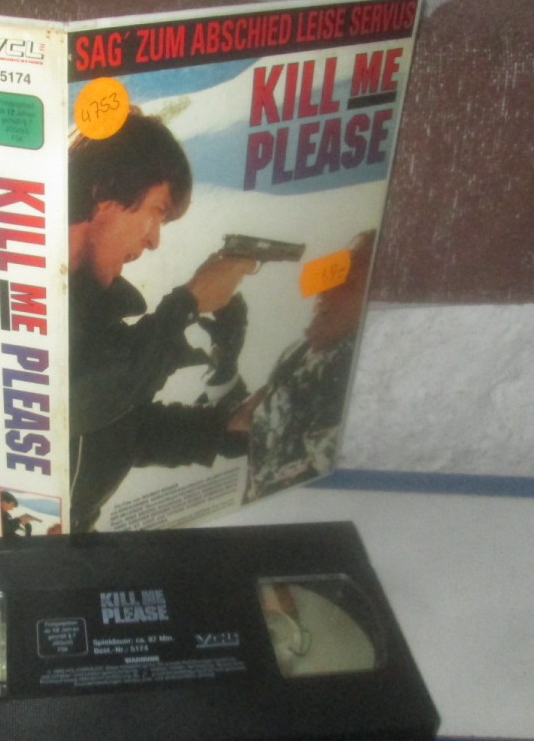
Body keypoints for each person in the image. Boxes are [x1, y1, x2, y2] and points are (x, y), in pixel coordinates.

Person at [67, 110, 255, 532]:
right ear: (104, 192)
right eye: (157, 211)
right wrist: (187, 305)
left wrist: (224, 428)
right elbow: (77, 399)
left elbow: (122, 428)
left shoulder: (97, 311)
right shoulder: (14, 287)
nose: (154, 239)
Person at [242, 230, 375, 502]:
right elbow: (257, 431)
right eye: (333, 277)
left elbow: (320, 469)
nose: (325, 291)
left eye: (349, 284)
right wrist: (223, 373)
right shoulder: (297, 353)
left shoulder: (359, 372)